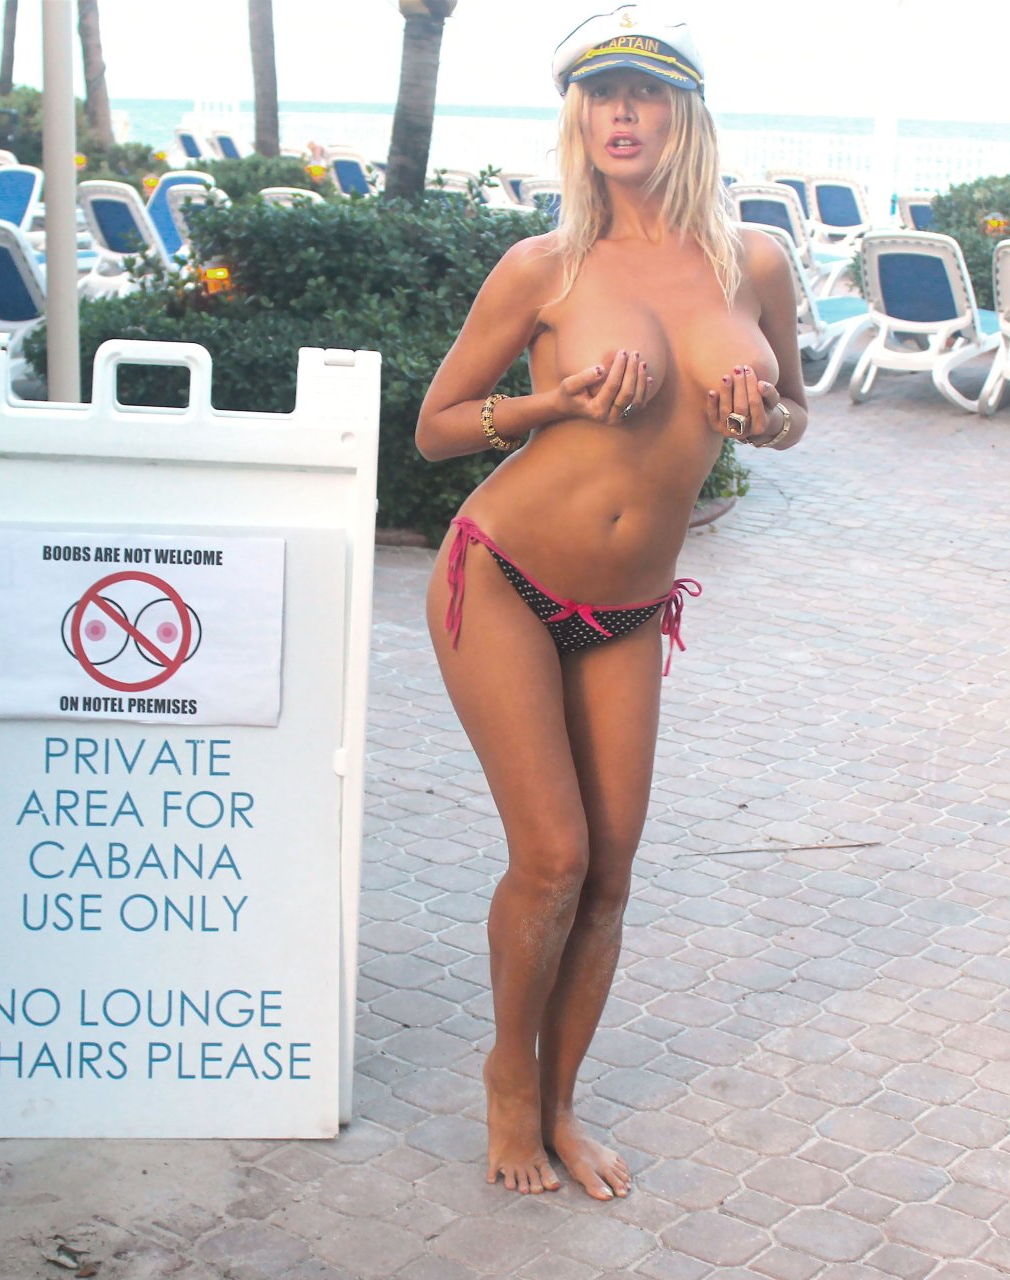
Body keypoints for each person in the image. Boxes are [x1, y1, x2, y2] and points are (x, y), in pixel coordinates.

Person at [414, 4, 807, 1200]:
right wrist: (560, 403)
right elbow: (437, 427)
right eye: (598, 95)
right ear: (577, 119)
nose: (619, 113)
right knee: (553, 855)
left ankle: (563, 1102)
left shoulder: (755, 263)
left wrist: (763, 418)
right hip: (502, 574)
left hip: (629, 608)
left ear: (685, 116)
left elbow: (797, 413)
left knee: (612, 871)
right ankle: (507, 1083)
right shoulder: (544, 266)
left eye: (642, 93)